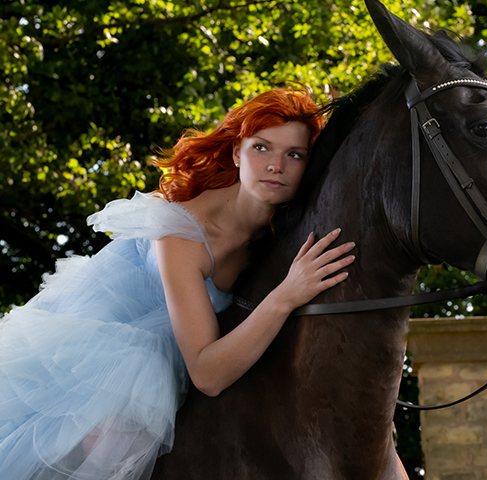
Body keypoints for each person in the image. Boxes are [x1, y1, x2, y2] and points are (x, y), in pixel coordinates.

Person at [0, 87, 355, 480]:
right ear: (237, 153)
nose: (276, 165)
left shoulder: (285, 231)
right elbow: (207, 374)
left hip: (184, 354)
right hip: (111, 359)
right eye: (261, 148)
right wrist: (284, 297)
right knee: (109, 439)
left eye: (295, 155)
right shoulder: (181, 232)